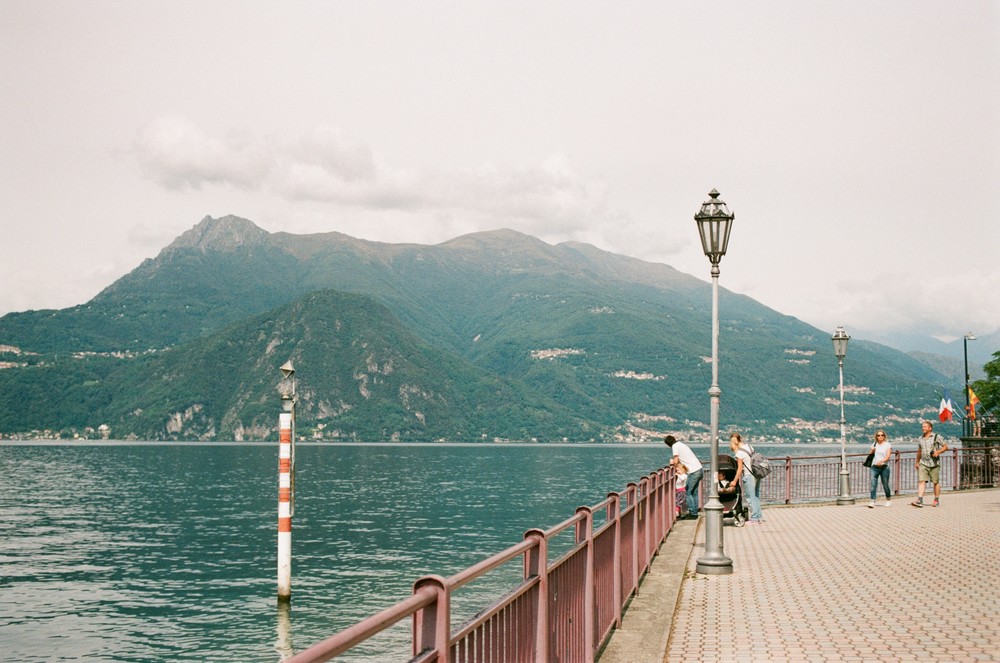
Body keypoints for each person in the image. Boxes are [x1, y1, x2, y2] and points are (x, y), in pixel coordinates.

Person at [664, 435, 703, 519]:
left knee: (688, 492)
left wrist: (671, 463)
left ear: (668, 444)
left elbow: (676, 460)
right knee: (694, 493)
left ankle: (692, 513)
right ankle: (695, 512)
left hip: (693, 472)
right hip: (699, 469)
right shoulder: (681, 444)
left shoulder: (675, 446)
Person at [912, 420, 948, 508]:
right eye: (922, 426)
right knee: (921, 481)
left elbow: (945, 447)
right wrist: (917, 462)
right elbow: (919, 451)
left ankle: (936, 499)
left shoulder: (936, 437)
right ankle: (919, 499)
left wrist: (938, 452)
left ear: (930, 428)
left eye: (925, 426)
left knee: (935, 482)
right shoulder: (920, 438)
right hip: (923, 463)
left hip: (934, 463)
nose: (923, 428)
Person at [729, 432, 762, 525]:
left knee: (750, 498)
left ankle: (755, 519)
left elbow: (739, 469)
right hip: (756, 474)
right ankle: (758, 516)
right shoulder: (749, 446)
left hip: (749, 476)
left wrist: (734, 481)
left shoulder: (739, 453)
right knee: (755, 496)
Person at [867, 429, 892, 507]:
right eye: (878, 435)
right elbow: (870, 454)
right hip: (874, 467)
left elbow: (888, 456)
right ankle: (872, 501)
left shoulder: (887, 445)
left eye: (882, 435)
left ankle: (888, 499)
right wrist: (871, 451)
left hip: (884, 467)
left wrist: (881, 461)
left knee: (885, 485)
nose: (880, 436)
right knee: (873, 484)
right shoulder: (874, 444)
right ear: (876, 437)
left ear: (884, 436)